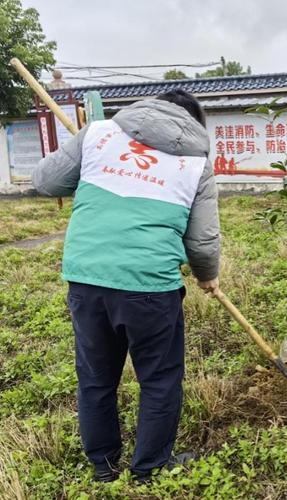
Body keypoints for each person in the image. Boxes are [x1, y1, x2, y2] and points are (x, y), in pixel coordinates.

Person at [32, 90, 221, 480]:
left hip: (87, 277)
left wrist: (90, 155)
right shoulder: (195, 162)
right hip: (150, 285)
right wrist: (207, 275)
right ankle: (149, 467)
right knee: (159, 379)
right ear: (192, 123)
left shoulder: (98, 134)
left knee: (96, 376)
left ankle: (103, 467)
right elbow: (202, 240)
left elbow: (46, 181)